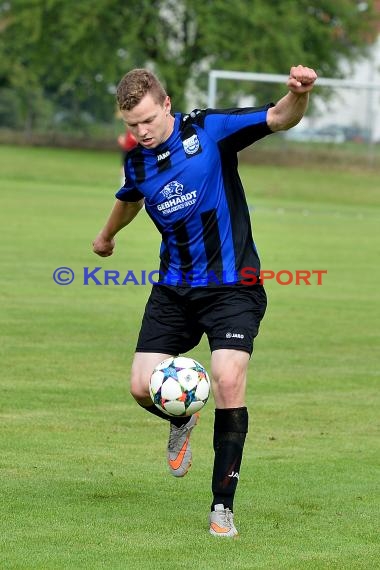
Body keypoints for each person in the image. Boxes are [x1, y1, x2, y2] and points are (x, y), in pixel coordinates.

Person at [92, 65, 317, 537]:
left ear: (167, 104)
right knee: (139, 387)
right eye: (132, 125)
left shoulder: (209, 130)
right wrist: (108, 234)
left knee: (228, 377)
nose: (142, 132)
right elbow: (131, 197)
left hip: (234, 285)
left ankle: (222, 507)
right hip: (173, 289)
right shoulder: (137, 160)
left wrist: (300, 92)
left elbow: (279, 117)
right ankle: (184, 414)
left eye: (148, 120)